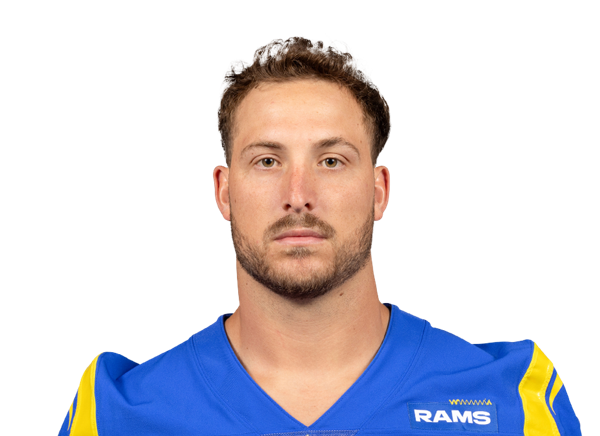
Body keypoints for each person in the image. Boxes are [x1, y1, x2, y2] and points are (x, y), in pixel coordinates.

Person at [58, 36, 581, 435]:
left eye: (331, 161)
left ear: (379, 191)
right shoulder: (112, 412)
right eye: (267, 161)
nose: (298, 195)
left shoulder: (516, 400)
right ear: (223, 191)